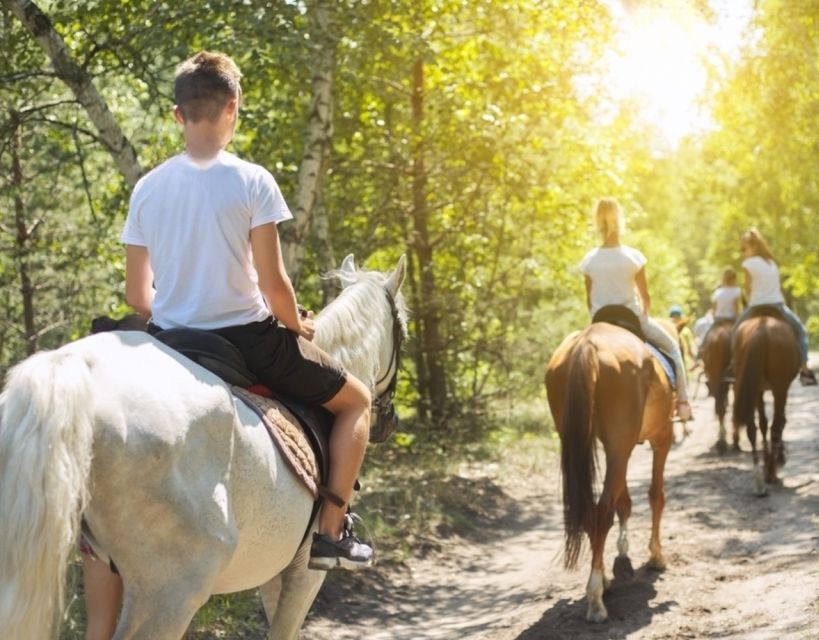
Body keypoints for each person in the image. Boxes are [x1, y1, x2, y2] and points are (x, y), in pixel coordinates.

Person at [88, 48, 377, 639]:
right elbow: (273, 286)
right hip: (248, 338)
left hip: (169, 340)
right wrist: (299, 325)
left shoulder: (148, 188)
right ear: (232, 109)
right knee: (357, 402)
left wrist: (179, 304)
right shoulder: (251, 180)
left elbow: (137, 294)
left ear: (177, 115)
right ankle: (330, 534)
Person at [580, 198, 692, 420]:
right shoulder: (633, 257)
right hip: (632, 319)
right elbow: (645, 299)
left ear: (596, 222)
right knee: (672, 348)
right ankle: (683, 403)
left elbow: (589, 300)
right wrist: (643, 315)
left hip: (600, 321)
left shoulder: (589, 260)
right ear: (620, 220)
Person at [734, 228, 816, 385]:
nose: (742, 252)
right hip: (777, 306)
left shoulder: (748, 264)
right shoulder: (772, 263)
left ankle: (733, 367)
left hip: (755, 307)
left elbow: (748, 289)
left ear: (754, 247)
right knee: (800, 331)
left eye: (744, 248)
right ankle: (805, 370)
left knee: (735, 333)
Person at [669, 304, 697, 370]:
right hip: (683, 364)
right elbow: (690, 350)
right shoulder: (686, 331)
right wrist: (695, 360)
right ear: (681, 317)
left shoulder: (667, 329)